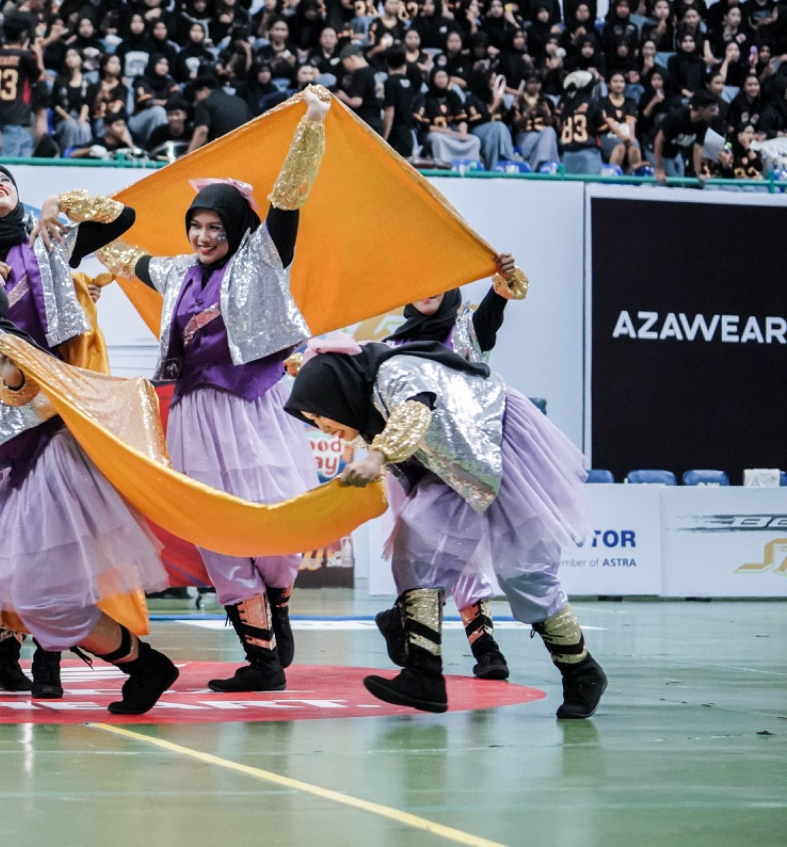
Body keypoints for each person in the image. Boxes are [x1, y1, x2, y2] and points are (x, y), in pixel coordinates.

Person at [97, 87, 329, 691]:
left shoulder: (260, 263)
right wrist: (78, 232)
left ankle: (277, 607)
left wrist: (312, 120)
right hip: (196, 416)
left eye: (214, 225)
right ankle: (263, 661)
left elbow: (289, 200)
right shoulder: (178, 274)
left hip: (255, 408)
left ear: (236, 227)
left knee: (270, 519)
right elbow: (131, 259)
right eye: (195, 226)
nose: (202, 236)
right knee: (217, 530)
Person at [285, 332, 608, 720]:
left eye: (317, 414)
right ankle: (424, 676)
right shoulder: (367, 404)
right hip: (448, 464)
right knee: (416, 543)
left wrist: (378, 455)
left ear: (332, 391)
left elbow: (416, 411)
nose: (320, 426)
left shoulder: (396, 371)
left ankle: (581, 670)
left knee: (525, 573)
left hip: (496, 445)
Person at [0, 258, 178, 716]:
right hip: (34, 464)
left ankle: (147, 667)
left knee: (44, 601)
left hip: (51, 465)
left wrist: (13, 380)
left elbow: (26, 382)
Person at [374, 261, 523, 682]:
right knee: (418, 552)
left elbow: (490, 318)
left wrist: (500, 290)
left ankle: (485, 647)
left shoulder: (465, 333)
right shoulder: (391, 346)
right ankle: (415, 636)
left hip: (464, 466)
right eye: (417, 281)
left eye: (436, 280)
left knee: (465, 552)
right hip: (413, 469)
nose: (427, 289)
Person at [0, 16, 42, 157]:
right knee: (10, 153)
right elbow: (40, 76)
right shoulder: (23, 56)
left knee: (26, 142)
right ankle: (2, 177)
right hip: (15, 110)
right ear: (23, 34)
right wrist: (38, 54)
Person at [652, 90, 722, 183]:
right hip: (654, 148)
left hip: (674, 151)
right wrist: (659, 168)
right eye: (712, 110)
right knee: (675, 183)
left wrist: (698, 173)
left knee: (681, 180)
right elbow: (658, 140)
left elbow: (698, 147)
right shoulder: (677, 116)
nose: (716, 113)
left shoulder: (704, 121)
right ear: (701, 109)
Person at [186, 77, 253, 153]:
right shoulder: (240, 101)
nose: (196, 102)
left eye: (196, 96)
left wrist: (188, 155)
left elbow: (202, 131)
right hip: (245, 149)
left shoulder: (204, 103)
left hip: (221, 152)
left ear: (204, 90)